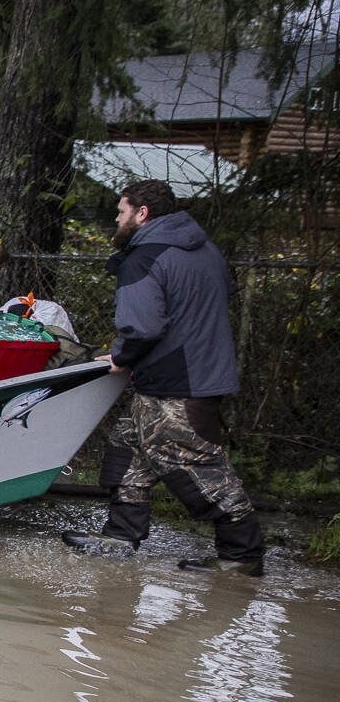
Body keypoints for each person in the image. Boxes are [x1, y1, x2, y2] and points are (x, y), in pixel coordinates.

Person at [61, 179, 265, 575]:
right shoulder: (207, 252)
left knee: (198, 468)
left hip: (180, 383)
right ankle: (120, 536)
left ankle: (242, 556)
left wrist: (122, 355)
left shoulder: (143, 257)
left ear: (142, 213)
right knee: (128, 449)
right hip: (190, 374)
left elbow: (142, 326)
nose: (115, 220)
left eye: (120, 212)